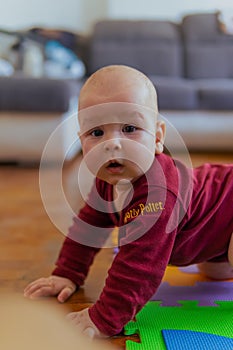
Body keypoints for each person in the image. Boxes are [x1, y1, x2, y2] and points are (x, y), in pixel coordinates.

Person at [24, 65, 233, 338]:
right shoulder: (108, 179)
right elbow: (87, 227)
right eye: (96, 133)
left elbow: (140, 266)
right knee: (216, 273)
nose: (112, 144)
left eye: (130, 128)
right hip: (214, 229)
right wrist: (68, 273)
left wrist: (105, 318)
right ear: (81, 142)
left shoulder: (158, 191)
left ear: (157, 138)